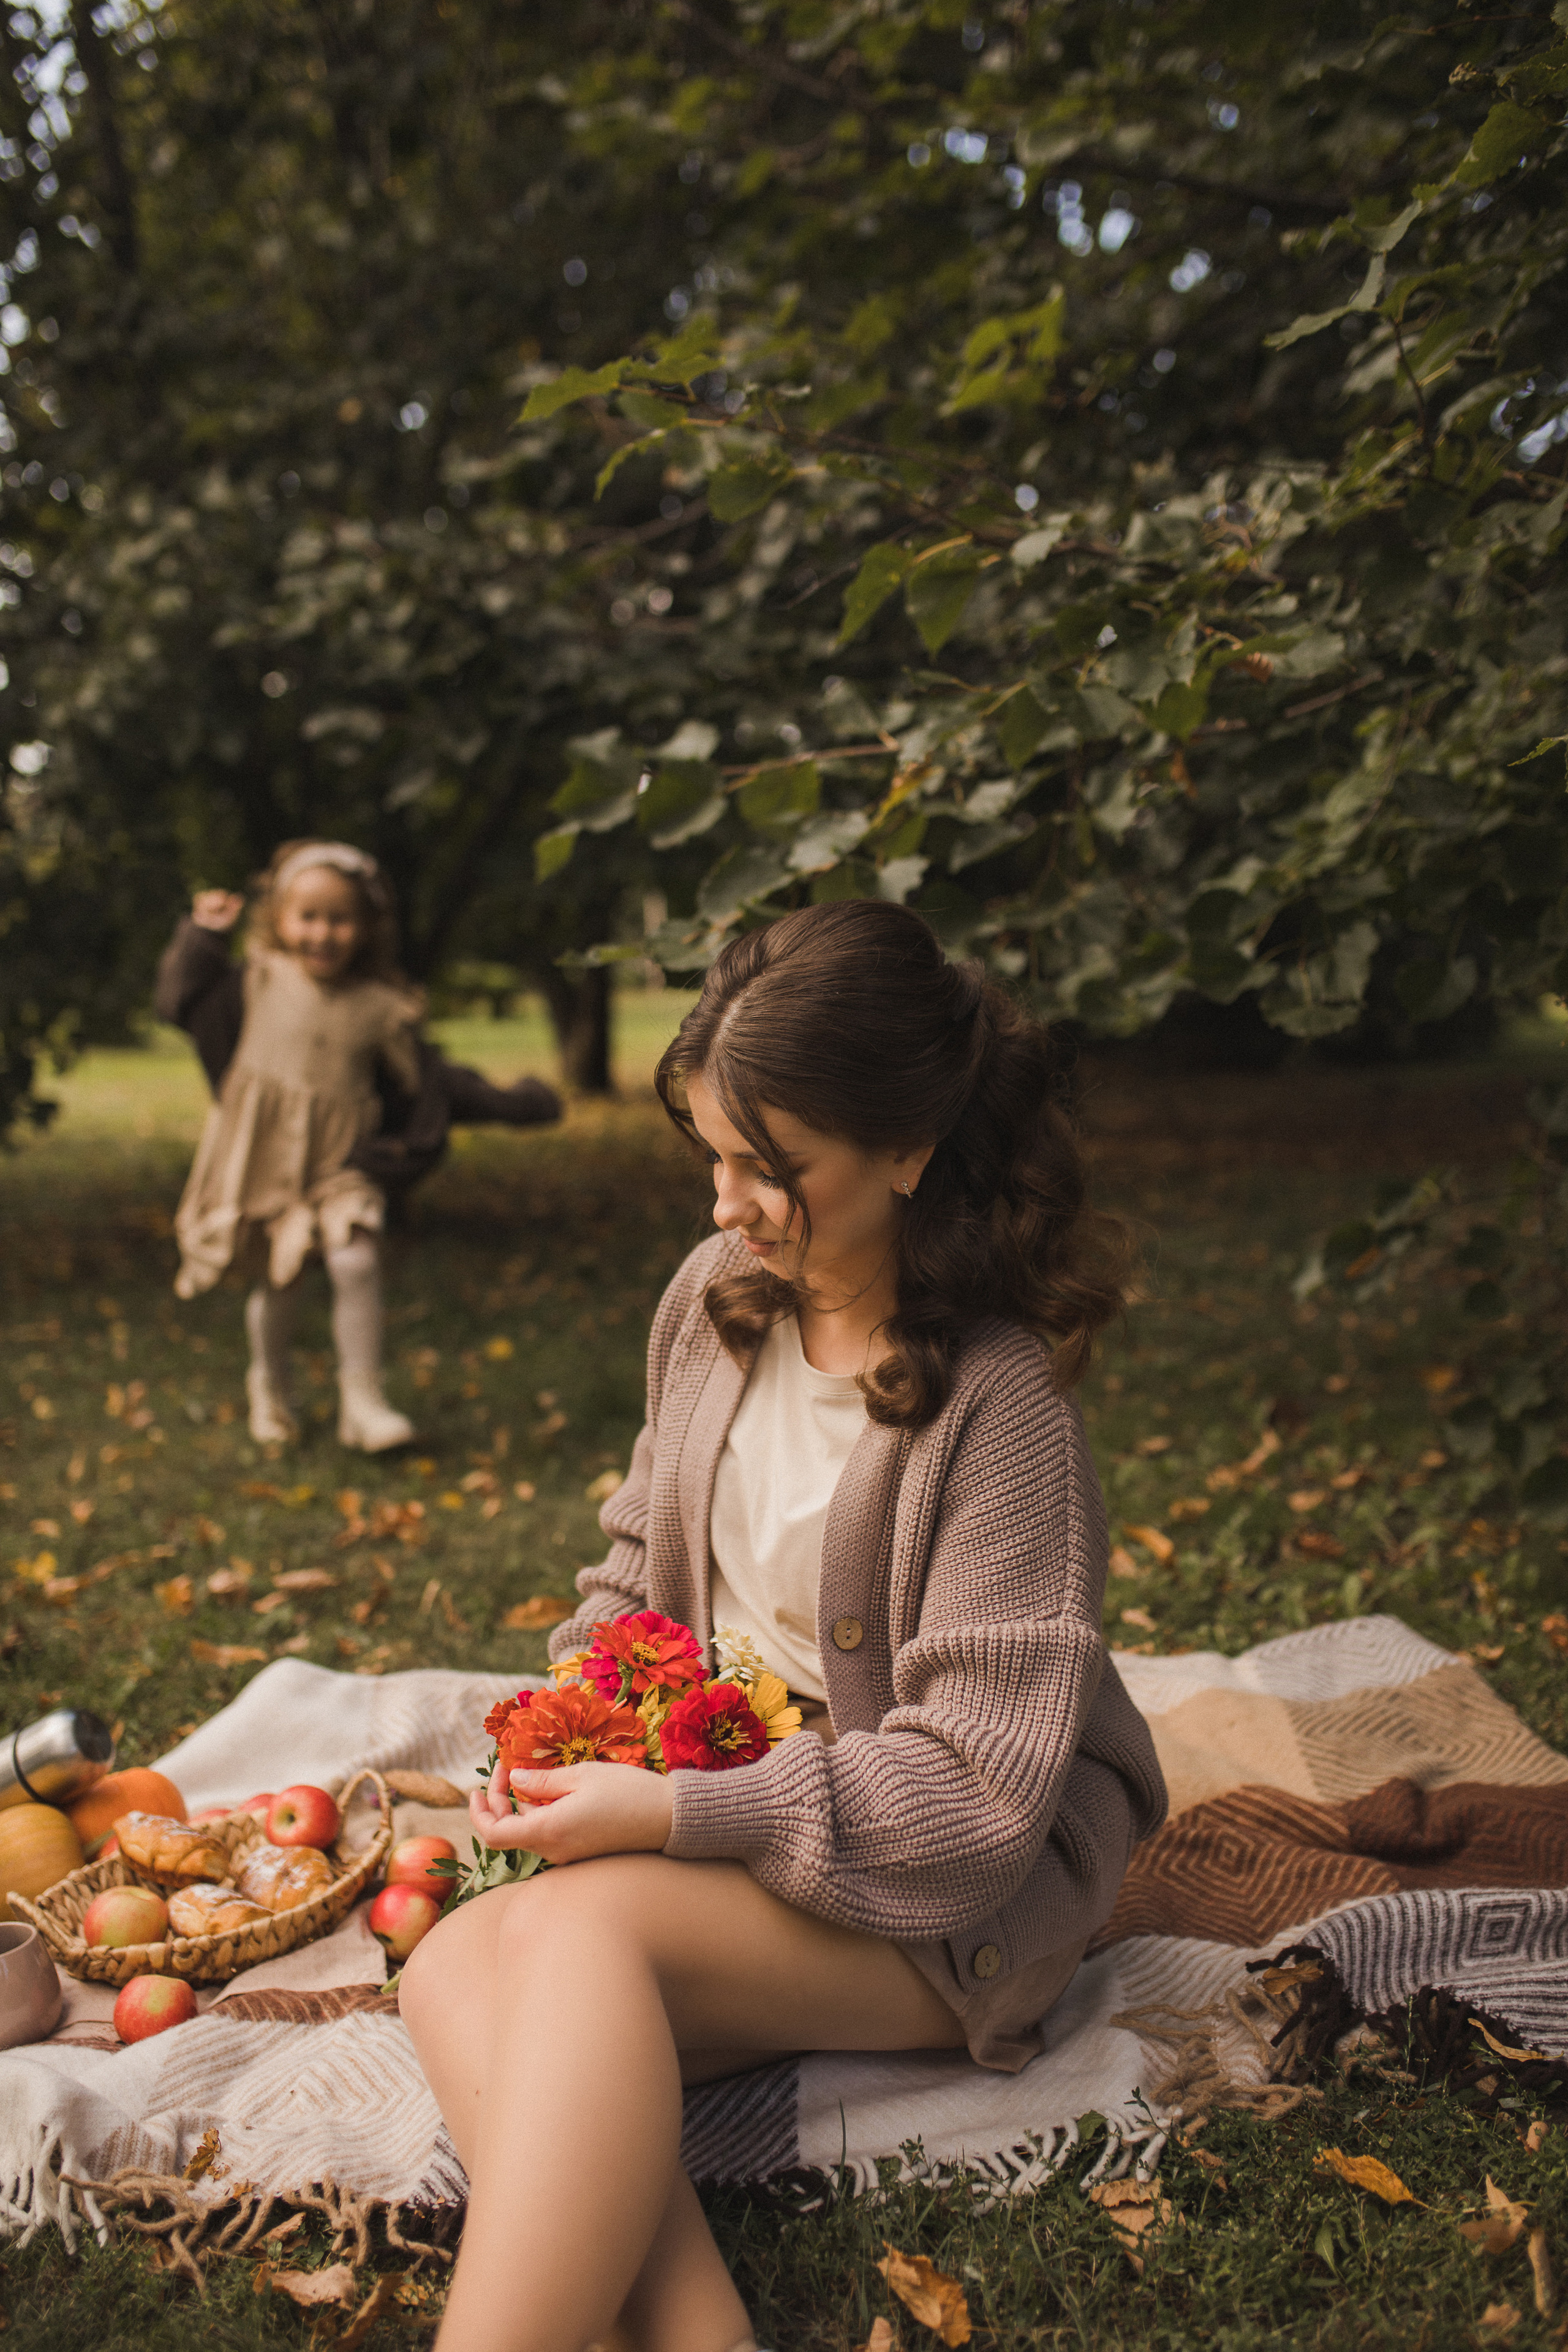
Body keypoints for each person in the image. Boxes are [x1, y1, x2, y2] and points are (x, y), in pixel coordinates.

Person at [399, 899, 1167, 2352]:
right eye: (712, 1156)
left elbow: (973, 1802)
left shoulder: (997, 1410)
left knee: (574, 1938)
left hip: (952, 1891)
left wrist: (675, 1808)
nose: (723, 1204)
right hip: (744, 1800)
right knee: (452, 1960)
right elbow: (638, 1569)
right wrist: (573, 1719)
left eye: (772, 1167)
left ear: (904, 1150)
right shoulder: (715, 1300)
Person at [160, 839, 555, 1450]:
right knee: (280, 1282)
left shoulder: (381, 1005)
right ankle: (270, 1386)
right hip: (268, 1164)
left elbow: (431, 1085)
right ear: (280, 918)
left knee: (356, 1260)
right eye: (308, 917)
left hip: (343, 1163)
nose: (323, 933)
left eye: (340, 919)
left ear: (368, 927)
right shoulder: (258, 981)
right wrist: (203, 937)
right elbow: (181, 1000)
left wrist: (517, 1103)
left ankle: (363, 1402)